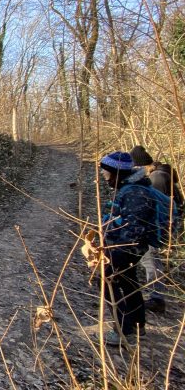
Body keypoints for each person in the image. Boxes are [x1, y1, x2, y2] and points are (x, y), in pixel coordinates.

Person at [99, 151, 157, 346]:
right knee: (128, 282)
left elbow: (134, 227)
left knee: (108, 281)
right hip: (129, 247)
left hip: (127, 247)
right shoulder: (130, 188)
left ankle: (124, 330)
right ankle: (137, 325)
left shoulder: (134, 192)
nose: (106, 179)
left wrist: (116, 250)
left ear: (118, 173)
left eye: (107, 174)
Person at [129, 145, 169, 314]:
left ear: (141, 165)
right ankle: (155, 295)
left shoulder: (156, 178)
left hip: (154, 227)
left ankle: (157, 298)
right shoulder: (157, 175)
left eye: (135, 167)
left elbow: (157, 205)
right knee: (148, 260)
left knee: (150, 260)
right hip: (155, 226)